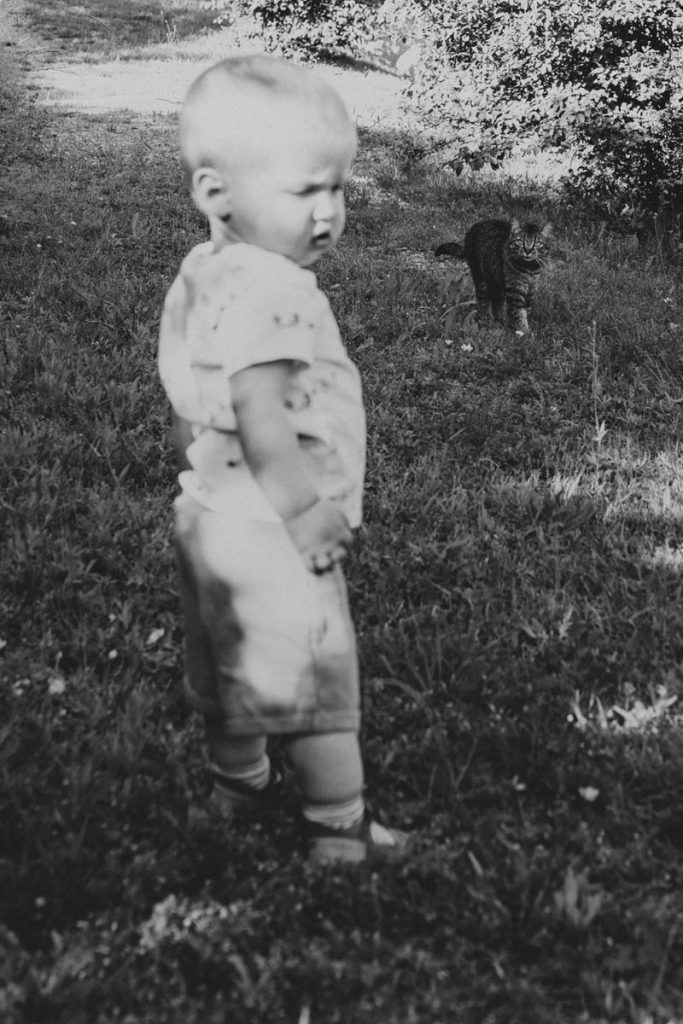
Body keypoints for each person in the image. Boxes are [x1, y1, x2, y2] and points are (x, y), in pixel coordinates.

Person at [158, 54, 407, 864]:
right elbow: (262, 414)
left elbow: (192, 393)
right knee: (318, 683)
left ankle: (239, 789)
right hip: (271, 522)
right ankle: (338, 830)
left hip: (211, 515)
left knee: (230, 663)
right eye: (306, 191)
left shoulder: (203, 273)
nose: (329, 213)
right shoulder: (275, 290)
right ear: (215, 193)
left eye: (337, 189)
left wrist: (193, 465)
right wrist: (304, 512)